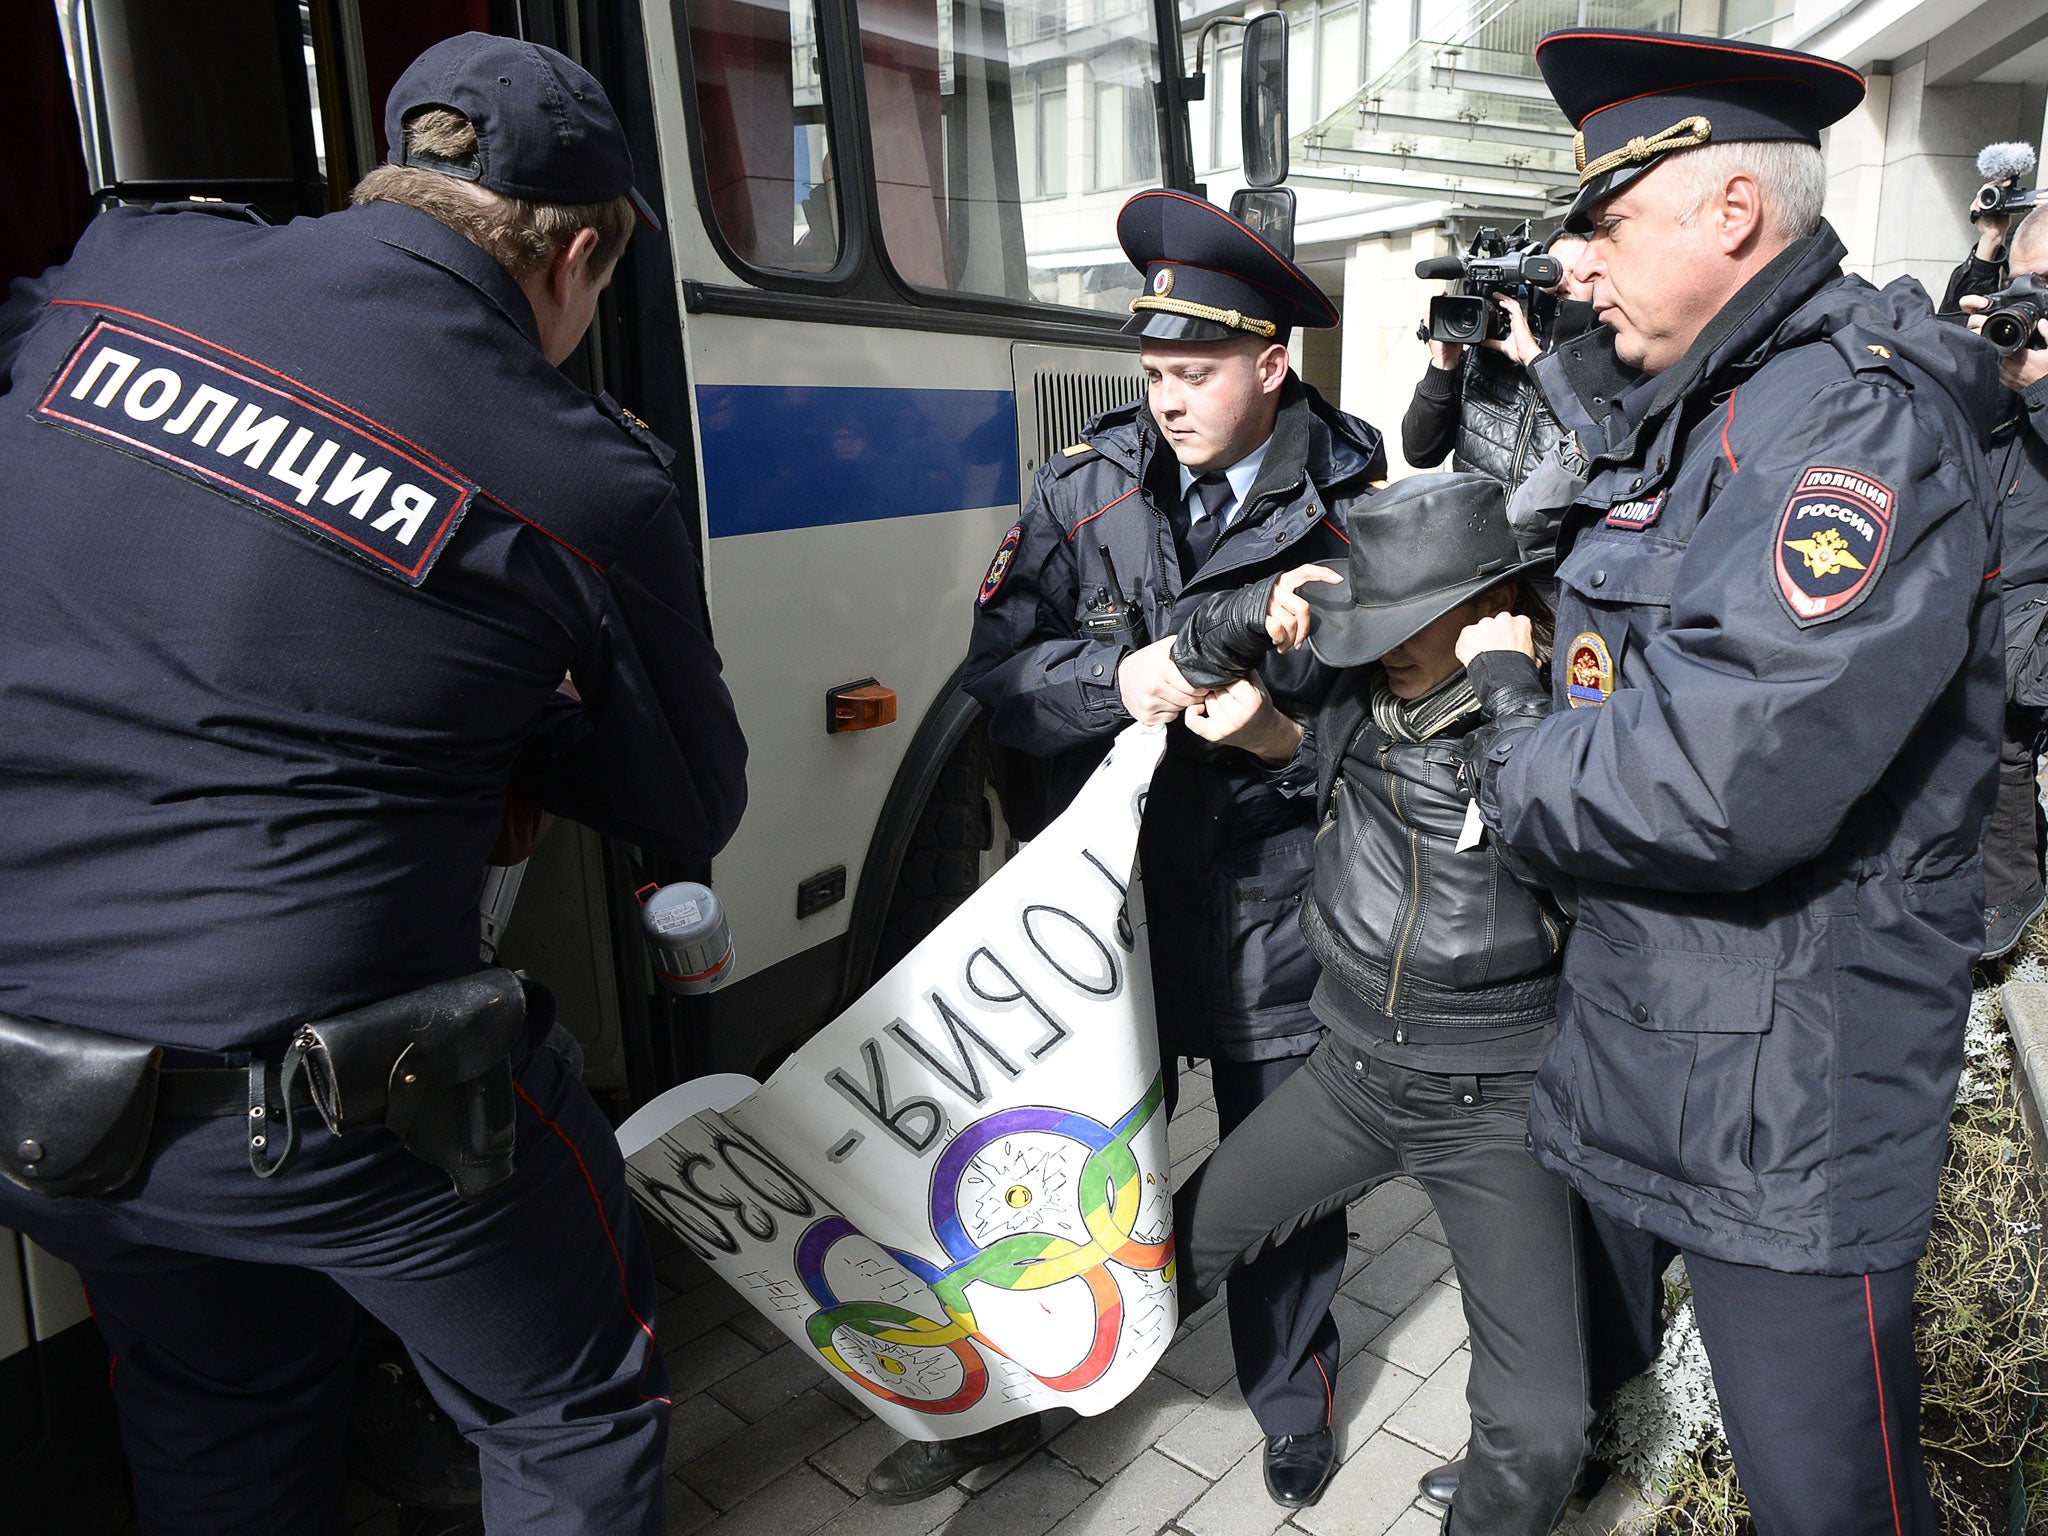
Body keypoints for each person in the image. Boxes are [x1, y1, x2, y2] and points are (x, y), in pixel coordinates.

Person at [0, 32, 746, 1536]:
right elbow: (685, 800)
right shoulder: (582, 470)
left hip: (41, 1098)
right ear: (580, 256)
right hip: (349, 1114)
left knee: (222, 1401)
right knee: (566, 1404)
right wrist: (498, 727)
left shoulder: (110, 273)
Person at [1455, 27, 2003, 1536]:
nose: (1574, 265)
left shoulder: (1850, 425)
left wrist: (1507, 735)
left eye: (1605, 223)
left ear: (1733, 216)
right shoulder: (1702, 403)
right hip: (1669, 1037)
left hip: (1789, 1093)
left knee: (1829, 1502)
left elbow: (1718, 782)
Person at [869, 190, 1385, 1510]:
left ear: (1275, 364)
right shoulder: (1081, 487)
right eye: (1152, 373)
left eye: (1196, 373)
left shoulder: (1357, 514)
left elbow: (1397, 746)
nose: (1167, 399)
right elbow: (997, 676)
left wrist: (1280, 737)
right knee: (1066, 1158)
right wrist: (1126, 675)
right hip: (1110, 911)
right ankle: (1028, 1389)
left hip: (1278, 900)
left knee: (1285, 1174)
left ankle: (1292, 1402)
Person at [1164, 473, 1589, 1536]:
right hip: (1346, 1070)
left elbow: (1580, 861)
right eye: (1375, 614)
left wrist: (1511, 698)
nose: (1382, 642)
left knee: (1538, 1430)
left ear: (1496, 608)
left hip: (1493, 1099)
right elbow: (1332, 769)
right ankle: (1000, 1406)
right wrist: (1257, 625)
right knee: (1154, 1255)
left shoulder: (1562, 708)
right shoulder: (1362, 684)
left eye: (1409, 620)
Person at [1960, 204, 2048, 958]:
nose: (2036, 299)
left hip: (2037, 596)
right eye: (2029, 280)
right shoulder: (2009, 346)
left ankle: (2010, 894)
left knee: (2003, 735)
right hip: (1982, 572)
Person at [1401, 233, 1595, 495]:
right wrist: (1443, 366)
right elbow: (1420, 453)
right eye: (1552, 271)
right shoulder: (1485, 354)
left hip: (1550, 534)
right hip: (1471, 526)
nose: (1563, 282)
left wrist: (1534, 361)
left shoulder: (1607, 359)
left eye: (1578, 273)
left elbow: (1596, 445)